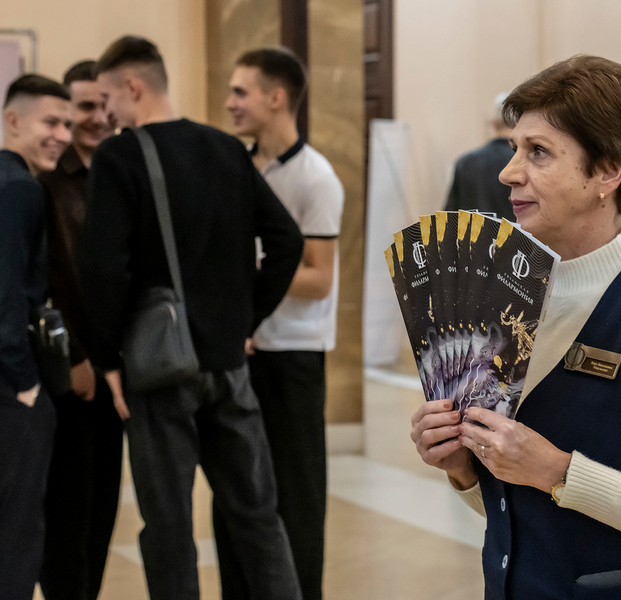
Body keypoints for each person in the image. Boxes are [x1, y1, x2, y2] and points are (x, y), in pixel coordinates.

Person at [410, 55, 621, 599]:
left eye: (538, 152)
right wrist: (465, 469)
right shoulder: (512, 291)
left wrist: (559, 471)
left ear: (608, 172)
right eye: (515, 148)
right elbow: (528, 513)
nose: (508, 171)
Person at [78, 36, 304, 600]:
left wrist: (107, 358)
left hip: (159, 368)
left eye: (108, 98)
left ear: (133, 88)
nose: (106, 113)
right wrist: (244, 319)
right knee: (257, 516)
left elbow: (103, 270)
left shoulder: (119, 156)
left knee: (169, 527)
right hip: (228, 364)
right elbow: (286, 240)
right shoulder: (226, 149)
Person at [216, 47, 344, 600]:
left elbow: (318, 278)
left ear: (276, 97)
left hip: (292, 355)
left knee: (295, 497)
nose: (229, 102)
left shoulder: (316, 178)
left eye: (240, 91)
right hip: (240, 351)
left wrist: (241, 275)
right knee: (234, 490)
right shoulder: (235, 165)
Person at [38, 60, 123, 600]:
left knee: (103, 505)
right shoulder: (46, 179)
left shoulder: (121, 172)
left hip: (116, 369)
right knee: (67, 509)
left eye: (104, 106)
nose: (96, 117)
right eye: (84, 107)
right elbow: (48, 283)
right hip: (68, 371)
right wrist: (73, 358)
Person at [0, 74, 71, 600]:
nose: (62, 135)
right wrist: (25, 385)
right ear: (12, 120)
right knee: (16, 535)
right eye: (51, 122)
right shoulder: (19, 189)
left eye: (66, 124)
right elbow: (5, 296)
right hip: (10, 393)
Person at [444, 92, 516, 221]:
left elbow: (449, 216)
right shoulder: (522, 162)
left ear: (494, 123)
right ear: (519, 124)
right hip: (516, 233)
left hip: (473, 233)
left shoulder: (465, 163)